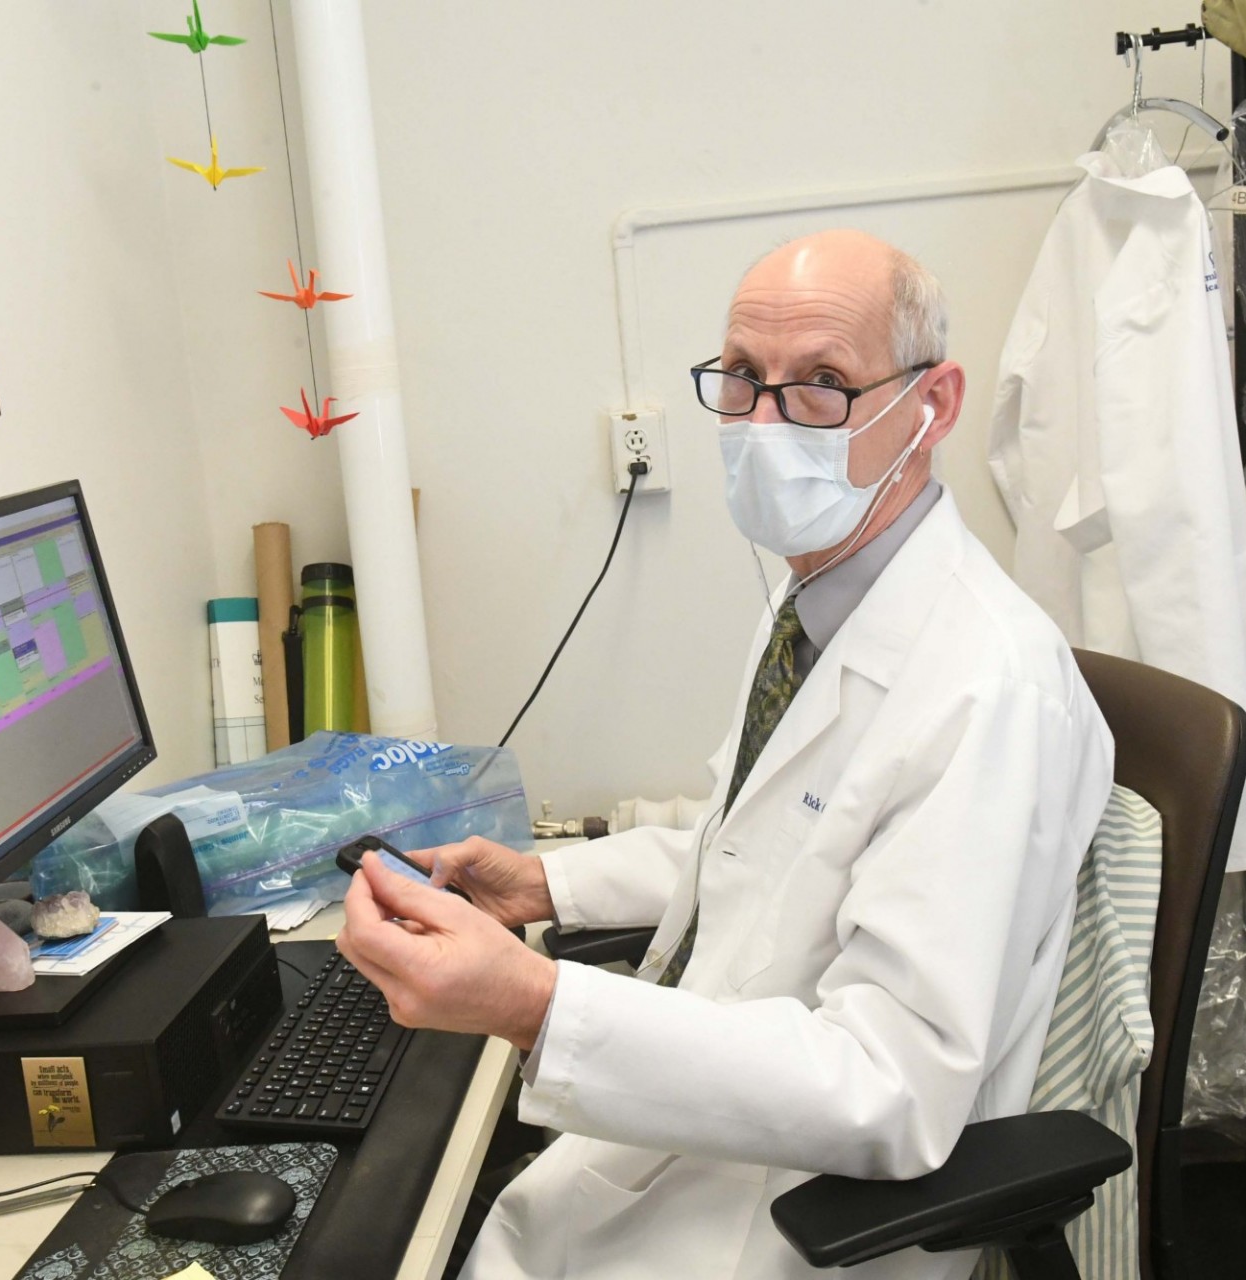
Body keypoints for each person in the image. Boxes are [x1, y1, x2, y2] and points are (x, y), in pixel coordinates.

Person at [337, 229, 1116, 1280]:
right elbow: (754, 843)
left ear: (931, 404)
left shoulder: (988, 686)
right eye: (745, 377)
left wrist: (534, 1003)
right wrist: (544, 880)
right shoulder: (822, 600)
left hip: (787, 1217)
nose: (763, 423)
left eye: (822, 384)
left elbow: (893, 1085)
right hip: (696, 1131)